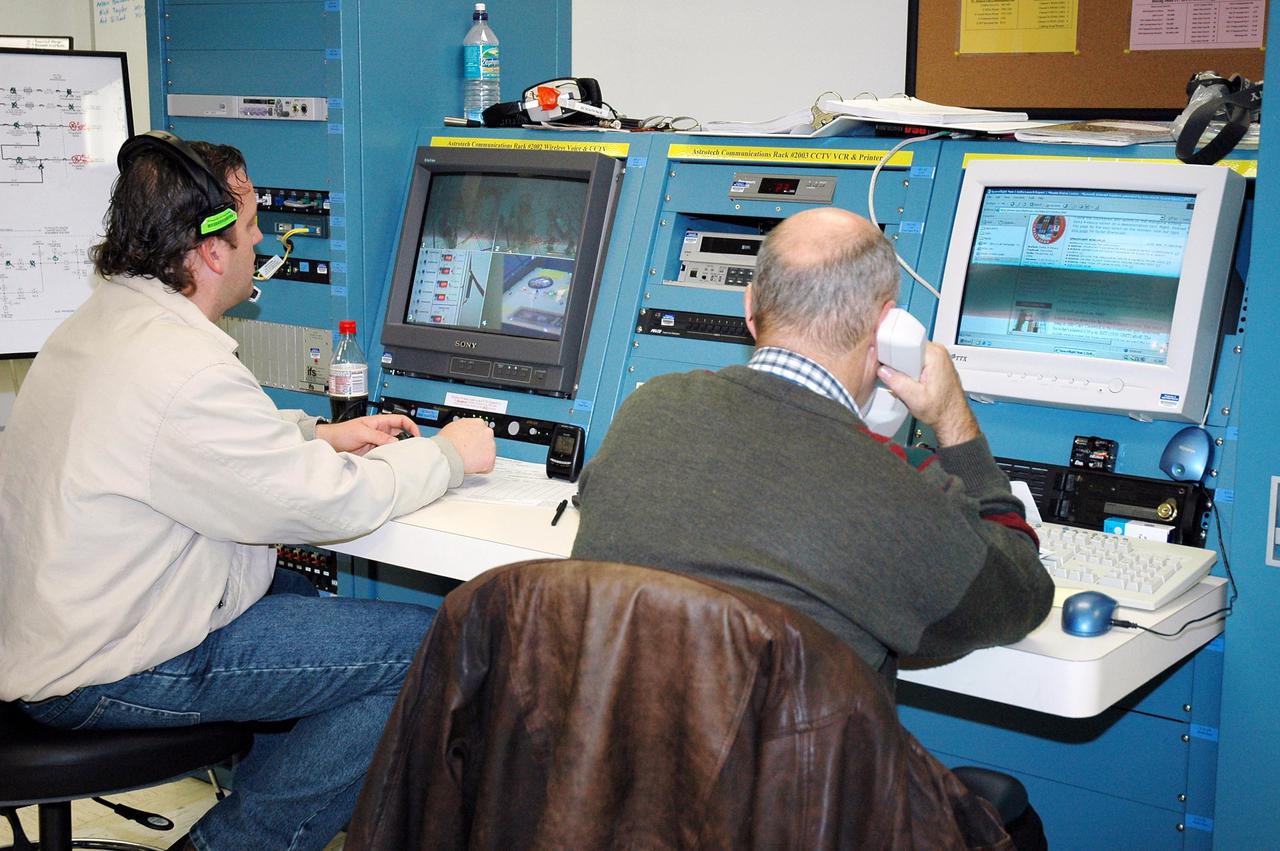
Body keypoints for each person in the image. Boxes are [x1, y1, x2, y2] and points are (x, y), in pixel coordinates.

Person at [0, 132, 496, 851]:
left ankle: (267, 820)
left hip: (57, 633)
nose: (262, 238)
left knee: (300, 605)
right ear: (209, 250)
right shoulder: (180, 366)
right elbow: (327, 505)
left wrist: (313, 435)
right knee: (429, 649)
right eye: (253, 223)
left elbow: (195, 448)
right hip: (102, 668)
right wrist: (450, 454)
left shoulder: (108, 321)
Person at [571, 207, 1053, 681]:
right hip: (787, 761)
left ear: (749, 307)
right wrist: (953, 420)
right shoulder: (894, 489)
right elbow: (1022, 594)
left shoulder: (645, 411)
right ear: (887, 327)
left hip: (610, 751)